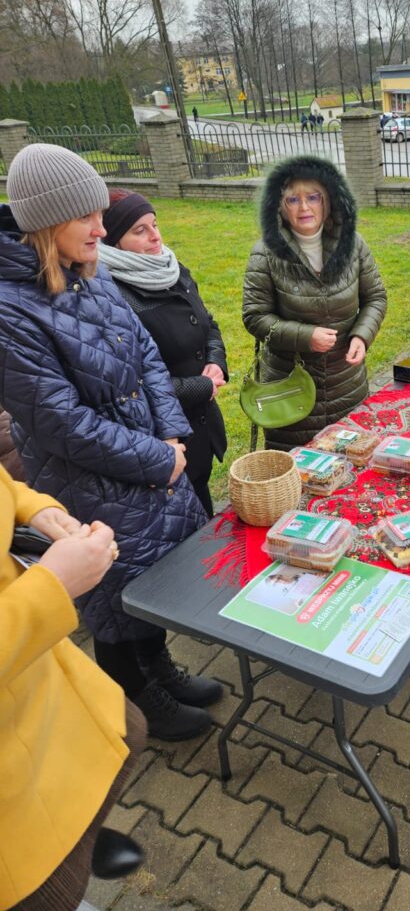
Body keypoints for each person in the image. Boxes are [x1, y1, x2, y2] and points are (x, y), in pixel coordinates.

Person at [0, 143, 221, 741]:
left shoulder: (88, 273)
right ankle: (133, 700)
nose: (102, 228)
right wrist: (158, 458)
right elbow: (59, 423)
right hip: (90, 483)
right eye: (86, 217)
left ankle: (161, 670)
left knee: (151, 578)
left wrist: (172, 431)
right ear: (47, 224)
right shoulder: (9, 310)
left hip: (150, 464)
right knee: (115, 599)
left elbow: (145, 353)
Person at [1, 465, 145, 911]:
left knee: (125, 729)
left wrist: (35, 510)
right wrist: (52, 589)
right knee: (47, 891)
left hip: (31, 672)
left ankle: (81, 835)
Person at [242, 155, 387, 451]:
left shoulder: (353, 244)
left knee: (350, 471)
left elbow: (375, 297)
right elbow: (255, 316)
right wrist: (306, 337)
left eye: (313, 197)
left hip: (346, 385)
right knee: (299, 481)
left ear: (329, 200)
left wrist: (362, 334)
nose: (304, 207)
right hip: (291, 392)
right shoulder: (265, 253)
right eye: (293, 199)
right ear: (279, 205)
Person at [99, 189, 228, 517]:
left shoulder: (172, 269)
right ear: (113, 241)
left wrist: (215, 363)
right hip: (164, 440)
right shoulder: (114, 295)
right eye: (139, 230)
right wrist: (201, 387)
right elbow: (132, 383)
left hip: (201, 429)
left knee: (204, 512)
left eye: (154, 224)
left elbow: (208, 324)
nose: (155, 236)